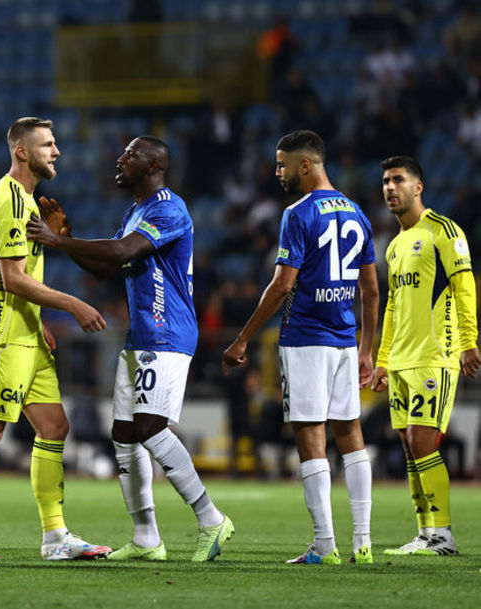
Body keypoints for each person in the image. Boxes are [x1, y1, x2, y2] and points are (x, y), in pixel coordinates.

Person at [26, 136, 234, 562]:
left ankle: (211, 518)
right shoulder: (135, 211)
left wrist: (58, 243)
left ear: (154, 165)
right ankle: (146, 538)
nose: (120, 159)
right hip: (141, 335)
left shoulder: (169, 208)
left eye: (131, 155)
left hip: (167, 333)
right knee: (124, 435)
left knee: (151, 428)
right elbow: (107, 268)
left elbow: (123, 250)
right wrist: (67, 237)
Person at [0, 116, 110, 561]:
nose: (56, 151)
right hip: (2, 335)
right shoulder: (10, 200)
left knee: (55, 427)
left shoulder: (25, 201)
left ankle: (56, 538)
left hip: (28, 334)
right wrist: (72, 305)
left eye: (55, 144)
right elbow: (11, 279)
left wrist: (38, 320)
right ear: (22, 151)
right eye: (47, 145)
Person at [223, 130, 379, 565]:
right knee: (350, 434)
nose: (277, 172)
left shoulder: (298, 213)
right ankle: (363, 543)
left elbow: (282, 285)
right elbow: (370, 291)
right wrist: (366, 349)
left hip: (307, 338)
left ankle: (325, 546)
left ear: (305, 165)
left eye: (282, 164)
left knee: (311, 437)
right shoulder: (357, 211)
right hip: (345, 339)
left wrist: (242, 338)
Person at [369, 155, 480, 556]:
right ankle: (425, 532)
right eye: (386, 181)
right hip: (401, 359)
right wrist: (383, 359)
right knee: (408, 445)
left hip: (435, 355)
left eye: (398, 179)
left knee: (423, 441)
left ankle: (444, 535)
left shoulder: (443, 231)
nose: (390, 187)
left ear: (418, 187)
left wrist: (469, 341)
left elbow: (464, 286)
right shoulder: (394, 246)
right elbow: (392, 307)